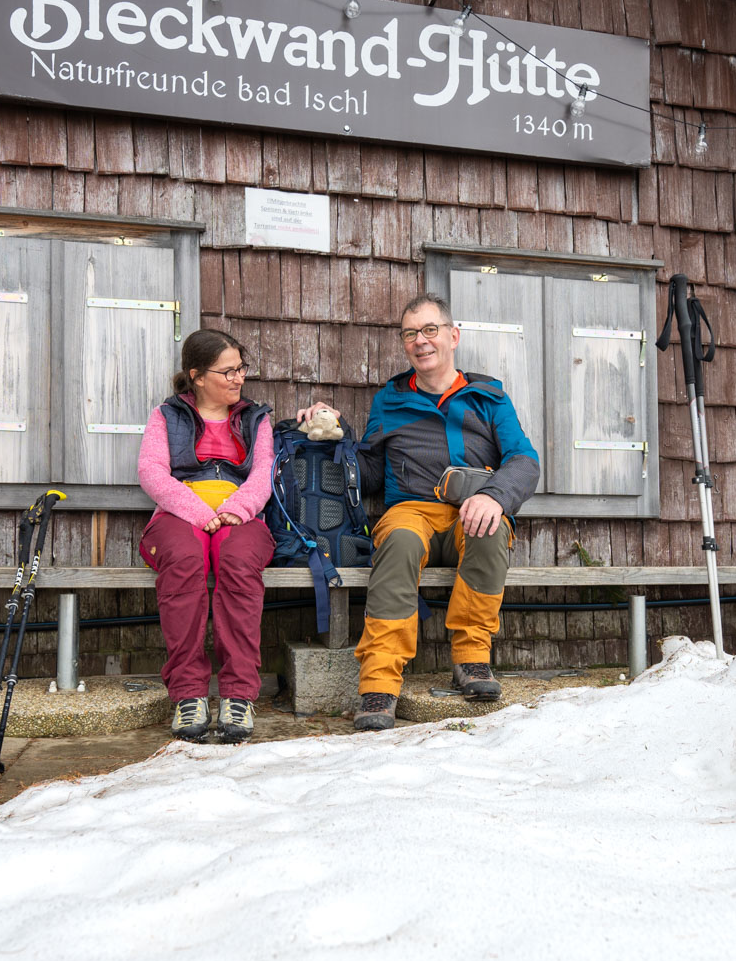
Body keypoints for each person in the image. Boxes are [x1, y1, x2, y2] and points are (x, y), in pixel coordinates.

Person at [298, 294, 539, 730]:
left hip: (472, 509)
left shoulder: (489, 398)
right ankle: (379, 684)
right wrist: (334, 432)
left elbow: (524, 459)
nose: (421, 341)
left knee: (490, 529)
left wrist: (496, 497)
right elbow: (368, 472)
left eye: (430, 330)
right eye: (411, 334)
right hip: (411, 511)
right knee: (401, 541)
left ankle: (473, 660)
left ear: (453, 335)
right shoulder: (390, 400)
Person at [138, 329, 275, 744]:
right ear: (196, 375)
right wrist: (199, 513)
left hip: (240, 515)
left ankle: (238, 694)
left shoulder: (256, 418)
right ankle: (188, 694)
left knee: (237, 562)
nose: (238, 379)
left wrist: (236, 509)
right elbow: (152, 472)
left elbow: (263, 474)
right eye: (227, 371)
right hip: (179, 514)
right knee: (183, 562)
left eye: (241, 369)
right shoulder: (166, 416)